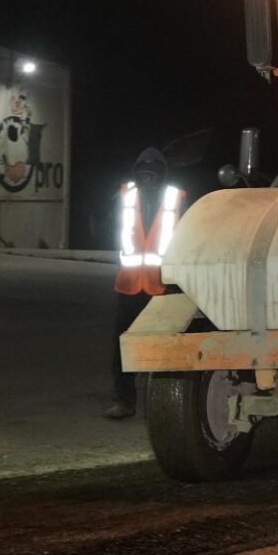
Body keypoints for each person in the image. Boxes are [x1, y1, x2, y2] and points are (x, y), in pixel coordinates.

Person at [104, 146, 169, 419]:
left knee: (166, 350)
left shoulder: (175, 201)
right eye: (144, 175)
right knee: (123, 346)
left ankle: (165, 404)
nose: (148, 180)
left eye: (154, 175)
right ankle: (125, 400)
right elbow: (111, 230)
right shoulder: (124, 199)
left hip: (163, 287)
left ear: (162, 177)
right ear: (137, 175)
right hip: (130, 284)